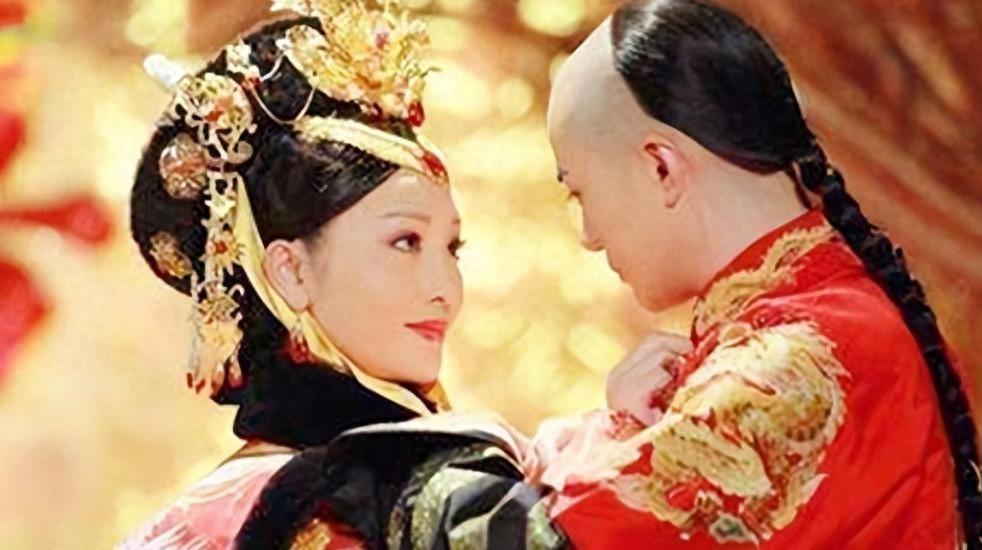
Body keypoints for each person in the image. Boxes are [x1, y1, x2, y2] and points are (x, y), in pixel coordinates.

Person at [238, 1, 981, 548]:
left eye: (579, 192)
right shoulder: (806, 326)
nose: (588, 236)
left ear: (660, 167)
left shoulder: (796, 360)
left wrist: (391, 473)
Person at [117, 0, 467, 547]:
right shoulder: (288, 509)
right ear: (290, 270)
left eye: (453, 249)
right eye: (406, 242)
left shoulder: (422, 480)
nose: (446, 289)